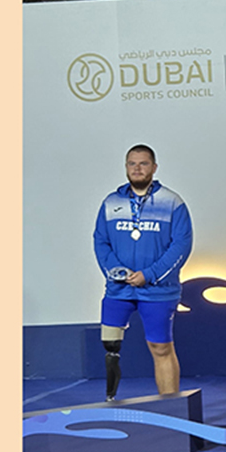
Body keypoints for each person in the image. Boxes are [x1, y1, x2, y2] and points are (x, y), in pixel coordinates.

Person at [93, 145, 193, 400]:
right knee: (110, 347)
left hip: (158, 291)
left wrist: (148, 274)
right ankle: (110, 402)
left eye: (143, 163)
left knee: (160, 348)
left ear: (154, 167)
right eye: (132, 164)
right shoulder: (111, 202)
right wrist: (118, 272)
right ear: (126, 167)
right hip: (119, 290)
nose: (137, 169)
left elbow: (181, 245)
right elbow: (100, 241)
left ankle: (172, 409)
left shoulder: (173, 202)